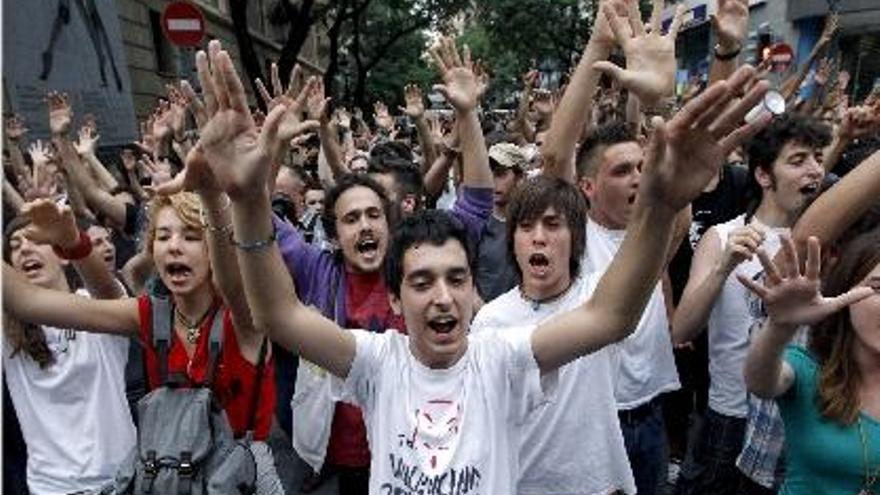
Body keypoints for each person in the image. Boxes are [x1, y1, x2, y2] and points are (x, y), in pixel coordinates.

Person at [187, 22, 770, 491]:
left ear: (474, 290)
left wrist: (663, 202)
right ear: (394, 298)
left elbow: (612, 317)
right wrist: (243, 197)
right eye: (420, 282)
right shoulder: (376, 362)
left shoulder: (502, 357)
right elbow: (278, 316)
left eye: (456, 279)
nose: (441, 296)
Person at [672, 114, 830, 494]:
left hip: (800, 419)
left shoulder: (825, 241)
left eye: (819, 158)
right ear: (763, 175)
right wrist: (724, 266)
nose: (814, 170)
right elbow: (682, 329)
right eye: (797, 161)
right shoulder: (722, 235)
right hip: (732, 416)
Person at [471, 175, 636, 494]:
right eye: (526, 226)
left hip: (595, 486)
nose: (538, 237)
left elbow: (657, 243)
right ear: (512, 239)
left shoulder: (600, 299)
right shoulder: (490, 321)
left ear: (575, 237)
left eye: (552, 224)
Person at [3, 202, 135, 495]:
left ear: (62, 257)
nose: (24, 249)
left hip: (122, 481)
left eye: (35, 240)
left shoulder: (92, 302)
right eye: (14, 246)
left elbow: (112, 297)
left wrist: (73, 242)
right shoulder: (6, 332)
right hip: (52, 489)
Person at [740, 233, 879, 495]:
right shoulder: (808, 370)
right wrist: (780, 326)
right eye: (879, 288)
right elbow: (760, 382)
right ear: (846, 293)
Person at [474, 142, 527, 302]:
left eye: (500, 174)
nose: (492, 180)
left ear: (519, 177)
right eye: (488, 173)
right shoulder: (476, 223)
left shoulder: (533, 224)